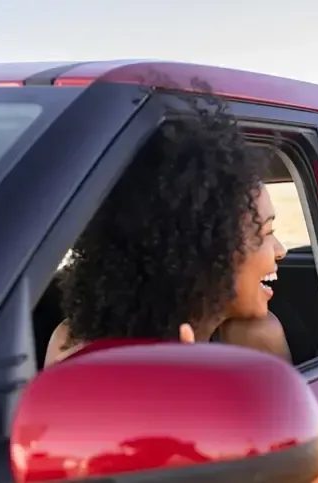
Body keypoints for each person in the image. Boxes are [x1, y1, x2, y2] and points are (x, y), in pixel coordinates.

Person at [45, 88, 291, 366]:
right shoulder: (75, 345)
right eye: (266, 232)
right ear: (203, 251)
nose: (281, 250)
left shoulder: (256, 338)